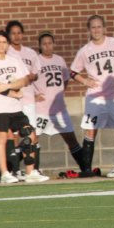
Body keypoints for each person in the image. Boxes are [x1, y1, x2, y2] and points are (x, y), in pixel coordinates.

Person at [0, 31, 49, 184]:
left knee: (29, 133)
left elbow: (24, 80)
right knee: (2, 139)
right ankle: (5, 173)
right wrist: (13, 93)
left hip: (16, 108)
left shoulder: (14, 60)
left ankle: (30, 172)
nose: (2, 45)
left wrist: (10, 86)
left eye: (4, 42)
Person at [69, 15, 114, 177]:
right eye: (93, 27)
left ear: (104, 28)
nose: (96, 30)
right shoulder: (85, 50)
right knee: (90, 130)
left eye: (99, 27)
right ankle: (87, 169)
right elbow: (73, 72)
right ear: (89, 30)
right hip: (95, 97)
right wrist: (85, 81)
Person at [33, 31, 89, 177]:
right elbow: (28, 80)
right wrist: (34, 94)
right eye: (44, 43)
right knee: (33, 140)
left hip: (59, 109)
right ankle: (33, 171)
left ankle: (85, 168)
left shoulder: (59, 60)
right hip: (41, 110)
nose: (47, 46)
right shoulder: (36, 60)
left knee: (72, 140)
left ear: (54, 44)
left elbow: (65, 80)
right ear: (39, 46)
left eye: (50, 43)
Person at [6, 20, 48, 180]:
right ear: (9, 35)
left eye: (19, 32)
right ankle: (16, 170)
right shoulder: (7, 53)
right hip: (13, 100)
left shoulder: (30, 53)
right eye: (13, 33)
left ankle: (35, 169)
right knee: (15, 136)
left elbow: (35, 73)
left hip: (28, 98)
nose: (16, 36)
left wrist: (31, 76)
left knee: (31, 134)